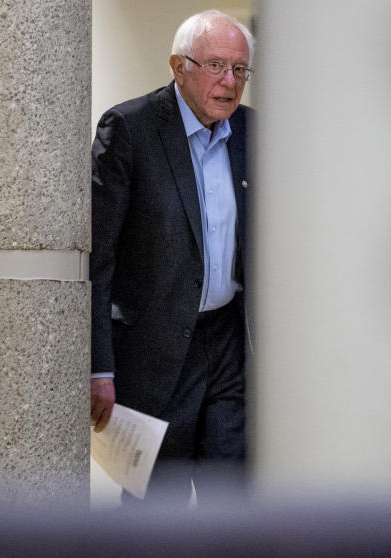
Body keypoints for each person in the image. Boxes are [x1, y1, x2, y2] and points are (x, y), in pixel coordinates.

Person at [89, 10, 255, 506]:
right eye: (216, 66)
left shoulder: (253, 134)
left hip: (226, 345)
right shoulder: (131, 129)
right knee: (156, 510)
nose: (230, 82)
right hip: (154, 353)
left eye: (241, 70)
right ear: (178, 66)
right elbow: (98, 258)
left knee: (233, 496)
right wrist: (100, 368)